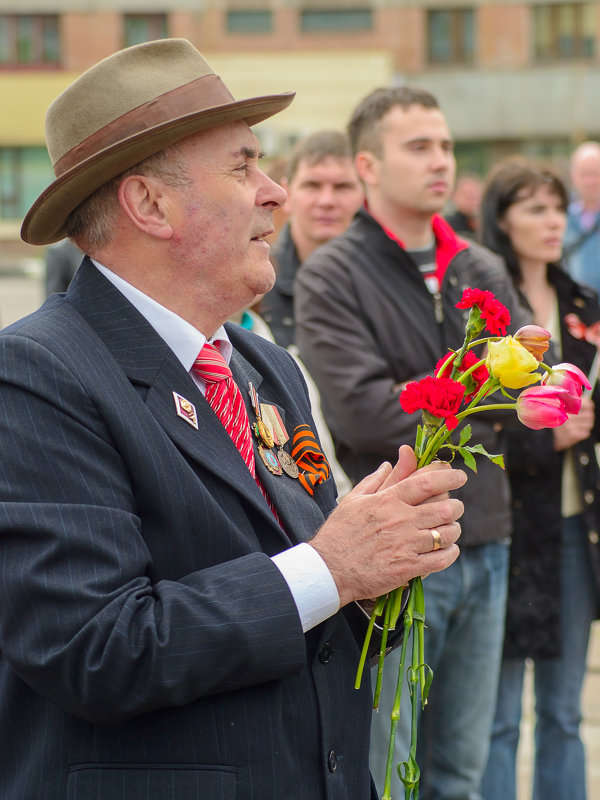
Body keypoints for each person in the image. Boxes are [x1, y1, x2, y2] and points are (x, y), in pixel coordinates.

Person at [0, 39, 468, 800]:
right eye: (244, 165)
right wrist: (335, 566)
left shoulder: (262, 367)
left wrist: (382, 561)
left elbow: (313, 599)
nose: (275, 192)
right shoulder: (35, 374)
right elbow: (96, 649)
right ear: (150, 204)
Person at [295, 85, 530, 800]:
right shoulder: (332, 275)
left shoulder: (480, 266)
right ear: (369, 164)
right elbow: (366, 414)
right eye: (419, 147)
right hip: (396, 552)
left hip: (485, 535)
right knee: (389, 767)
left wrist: (453, 398)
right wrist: (483, 392)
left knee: (461, 768)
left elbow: (524, 395)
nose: (441, 161)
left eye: (446, 145)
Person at [479, 159, 600, 800]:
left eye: (557, 208)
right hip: (507, 521)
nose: (553, 221)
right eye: (534, 209)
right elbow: (477, 414)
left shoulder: (584, 303)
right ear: (502, 219)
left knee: (562, 709)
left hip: (576, 520)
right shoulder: (491, 312)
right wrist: (543, 434)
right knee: (497, 716)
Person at [260, 130, 363, 348]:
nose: (327, 201)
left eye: (342, 186)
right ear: (286, 192)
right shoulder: (259, 284)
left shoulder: (388, 279)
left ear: (366, 194)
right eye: (312, 185)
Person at [564, 141, 600, 295]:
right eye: (585, 174)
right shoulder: (561, 218)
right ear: (574, 177)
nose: (591, 181)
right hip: (575, 311)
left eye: (596, 173)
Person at [445, 172, 483, 239]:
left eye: (475, 195)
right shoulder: (447, 227)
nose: (473, 201)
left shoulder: (487, 225)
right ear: (454, 196)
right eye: (467, 196)